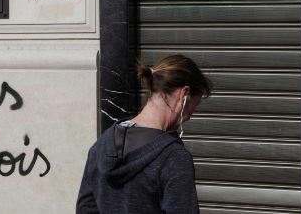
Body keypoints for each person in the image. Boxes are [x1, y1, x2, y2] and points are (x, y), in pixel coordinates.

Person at [76, 54, 213, 214]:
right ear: (184, 95)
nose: (189, 116)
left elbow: (85, 208)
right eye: (193, 106)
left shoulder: (101, 146)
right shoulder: (173, 158)